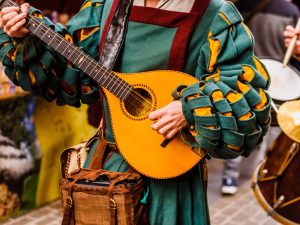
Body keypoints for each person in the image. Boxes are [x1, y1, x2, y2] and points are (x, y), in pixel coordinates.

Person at [0, 0, 271, 224]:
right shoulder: (107, 7)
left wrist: (189, 108)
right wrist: (28, 38)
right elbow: (68, 69)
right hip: (106, 170)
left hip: (169, 176)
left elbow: (246, 95)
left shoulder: (215, 15)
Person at [221, 0, 300, 195]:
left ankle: (229, 177)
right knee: (274, 128)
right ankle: (265, 173)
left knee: (240, 124)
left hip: (248, 75)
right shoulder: (290, 11)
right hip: (278, 79)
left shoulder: (242, 6)